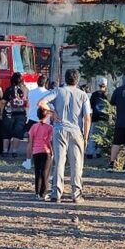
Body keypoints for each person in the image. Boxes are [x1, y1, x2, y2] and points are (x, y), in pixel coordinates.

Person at [38, 69, 92, 203]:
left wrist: (52, 112)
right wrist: (85, 136)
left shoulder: (58, 91)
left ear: (65, 79)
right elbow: (87, 118)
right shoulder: (83, 95)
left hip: (59, 129)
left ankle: (56, 193)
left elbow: (41, 103)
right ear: (77, 80)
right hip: (76, 131)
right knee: (76, 163)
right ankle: (76, 194)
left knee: (59, 162)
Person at [27, 107, 53, 201]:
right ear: (47, 116)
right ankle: (44, 192)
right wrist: (52, 151)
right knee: (45, 173)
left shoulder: (33, 127)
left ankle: (37, 192)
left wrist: (28, 156)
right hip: (46, 151)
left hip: (36, 151)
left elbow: (30, 142)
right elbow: (49, 141)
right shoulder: (50, 127)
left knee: (37, 172)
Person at [2, 72, 28, 157]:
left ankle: (5, 151)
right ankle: (14, 152)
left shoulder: (9, 89)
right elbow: (27, 102)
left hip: (8, 113)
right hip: (21, 114)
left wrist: (1, 113)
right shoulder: (25, 90)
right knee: (17, 133)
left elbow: (3, 102)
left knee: (6, 133)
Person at [87, 78, 110, 159]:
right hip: (104, 119)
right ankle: (98, 152)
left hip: (95, 118)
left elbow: (90, 106)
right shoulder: (108, 95)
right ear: (106, 85)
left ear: (98, 85)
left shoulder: (94, 94)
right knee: (102, 136)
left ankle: (90, 152)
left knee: (92, 136)